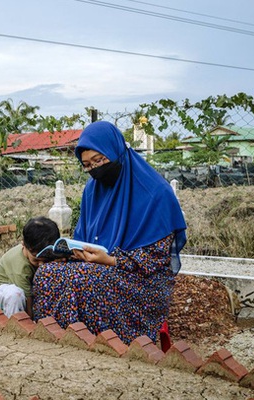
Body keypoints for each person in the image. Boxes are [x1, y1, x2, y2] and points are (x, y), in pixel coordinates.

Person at [32, 120, 187, 345]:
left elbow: (157, 258)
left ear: (116, 151)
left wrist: (112, 260)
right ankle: (55, 339)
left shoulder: (155, 193)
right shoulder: (92, 191)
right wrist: (75, 252)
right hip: (94, 267)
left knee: (85, 278)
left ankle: (96, 343)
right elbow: (84, 237)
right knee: (48, 273)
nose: (95, 169)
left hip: (141, 281)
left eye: (100, 160)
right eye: (87, 165)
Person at [0, 216, 60, 318]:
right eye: (36, 260)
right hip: (1, 289)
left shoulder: (40, 251)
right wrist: (31, 322)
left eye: (46, 259)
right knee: (16, 295)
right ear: (24, 245)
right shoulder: (21, 267)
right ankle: (15, 324)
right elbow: (28, 298)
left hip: (26, 287)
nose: (41, 264)